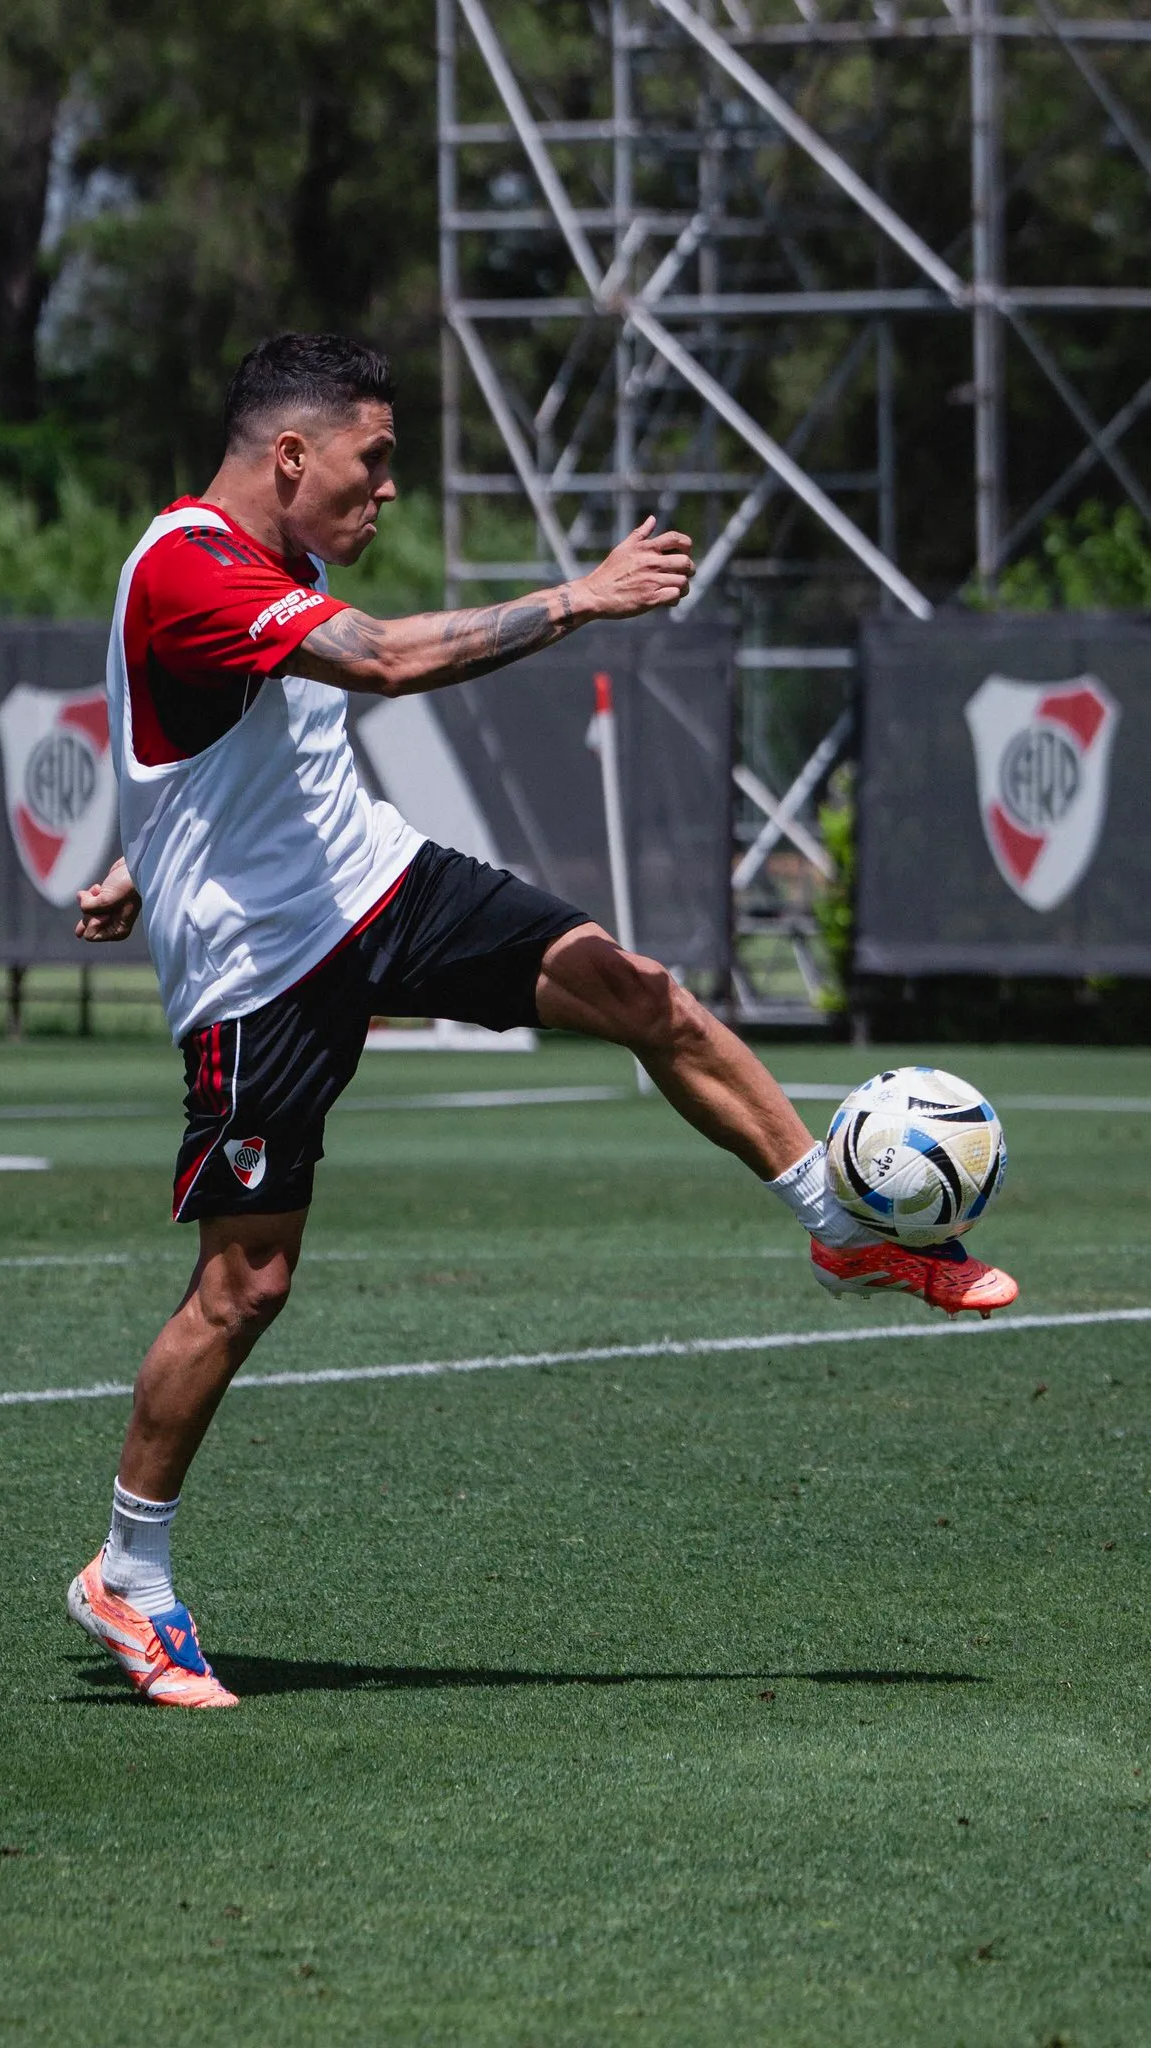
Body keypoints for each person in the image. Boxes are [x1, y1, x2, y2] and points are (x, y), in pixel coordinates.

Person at [67, 332, 1018, 1710]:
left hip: (376, 882)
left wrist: (134, 856)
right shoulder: (189, 562)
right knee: (247, 1288)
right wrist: (579, 599)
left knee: (645, 994)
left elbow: (210, 743)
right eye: (374, 460)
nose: (388, 490)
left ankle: (840, 1226)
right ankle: (127, 1574)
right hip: (260, 969)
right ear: (290, 453)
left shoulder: (281, 561)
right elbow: (382, 665)